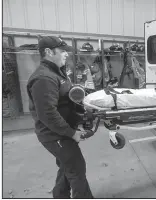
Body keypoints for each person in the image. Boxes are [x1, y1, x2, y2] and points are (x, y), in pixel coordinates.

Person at [27, 36, 94, 198]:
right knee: (76, 167)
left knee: (67, 166)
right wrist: (72, 133)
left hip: (62, 131)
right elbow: (48, 114)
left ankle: (60, 194)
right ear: (49, 52)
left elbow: (65, 99)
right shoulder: (44, 78)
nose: (66, 54)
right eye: (62, 51)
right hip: (54, 134)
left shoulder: (57, 73)